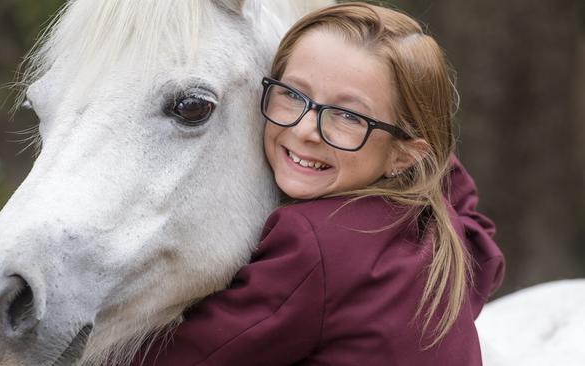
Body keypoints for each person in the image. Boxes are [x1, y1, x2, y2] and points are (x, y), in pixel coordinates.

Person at [132, 2, 504, 365]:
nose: (304, 129)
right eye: (293, 95)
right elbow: (480, 240)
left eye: (347, 116)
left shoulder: (315, 244)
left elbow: (197, 355)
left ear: (404, 155)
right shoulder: (442, 235)